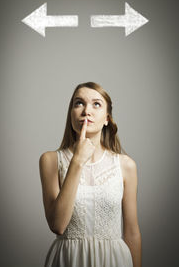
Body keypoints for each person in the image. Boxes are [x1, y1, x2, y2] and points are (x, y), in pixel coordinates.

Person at [39, 81, 142, 267]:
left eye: (96, 104)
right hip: (68, 260)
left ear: (107, 118)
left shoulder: (126, 165)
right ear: (71, 114)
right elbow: (58, 225)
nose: (87, 111)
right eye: (79, 103)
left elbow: (132, 231)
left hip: (114, 260)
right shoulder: (50, 160)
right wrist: (77, 160)